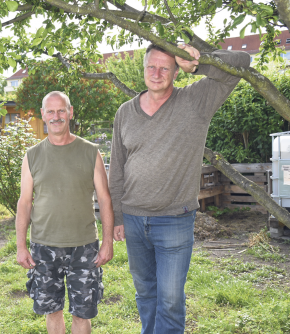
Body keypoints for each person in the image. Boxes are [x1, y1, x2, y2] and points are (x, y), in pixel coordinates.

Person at [109, 44, 250, 333]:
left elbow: (242, 62)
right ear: (143, 68)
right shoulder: (125, 112)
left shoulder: (196, 100)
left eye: (165, 67)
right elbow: (117, 167)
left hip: (174, 219)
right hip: (134, 220)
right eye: (151, 66)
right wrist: (118, 216)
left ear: (176, 71)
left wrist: (199, 63)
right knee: (146, 294)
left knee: (171, 300)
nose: (157, 73)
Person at [16, 91, 114, 334]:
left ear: (70, 112)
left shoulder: (90, 151)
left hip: (85, 247)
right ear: (43, 115)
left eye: (61, 110)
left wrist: (108, 241)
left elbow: (104, 198)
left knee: (83, 313)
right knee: (52, 311)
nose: (56, 116)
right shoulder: (32, 156)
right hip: (44, 247)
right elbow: (25, 203)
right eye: (50, 111)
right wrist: (20, 246)